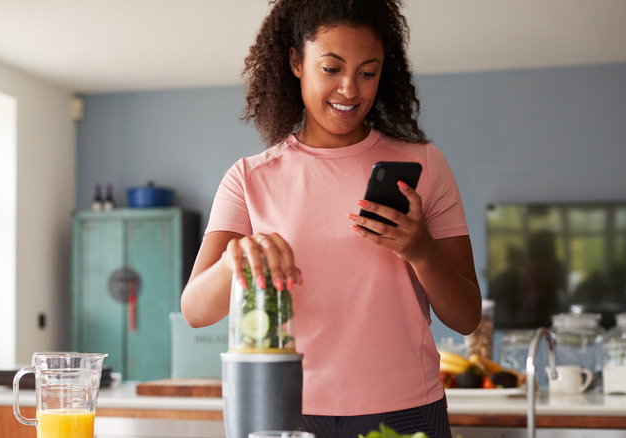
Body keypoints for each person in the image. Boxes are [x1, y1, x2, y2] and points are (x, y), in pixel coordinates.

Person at [181, 1, 481, 437]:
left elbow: (467, 317)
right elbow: (194, 310)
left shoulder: (425, 166)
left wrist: (421, 252)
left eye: (367, 71)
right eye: (332, 68)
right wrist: (234, 260)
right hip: (284, 408)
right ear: (296, 63)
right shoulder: (249, 178)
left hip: (406, 409)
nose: (350, 89)